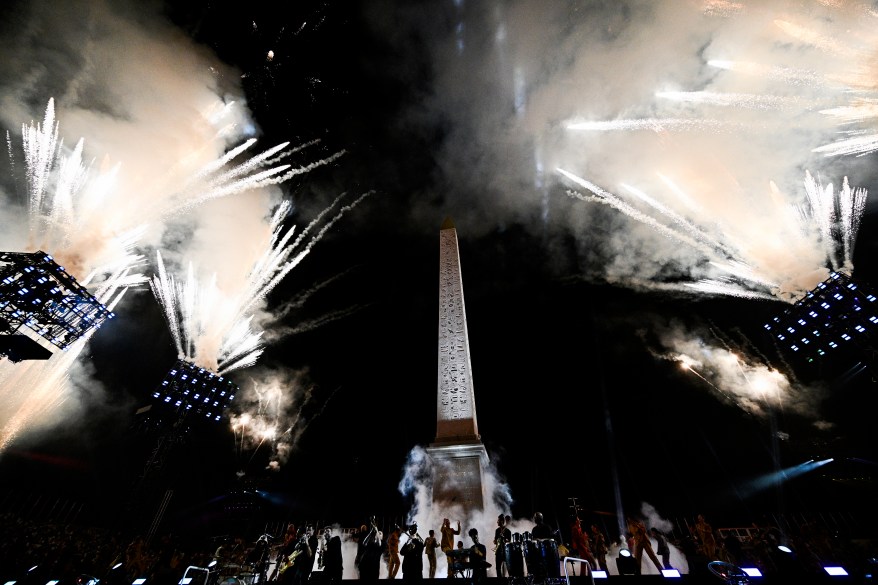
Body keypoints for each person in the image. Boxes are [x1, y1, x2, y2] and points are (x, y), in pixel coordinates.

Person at [492, 513, 511, 578]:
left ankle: (509, 580)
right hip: (498, 551)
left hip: (506, 552)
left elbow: (509, 542)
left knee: (508, 567)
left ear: (502, 521)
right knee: (498, 568)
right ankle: (499, 580)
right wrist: (495, 541)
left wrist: (504, 539)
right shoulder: (497, 530)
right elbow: (495, 540)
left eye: (498, 520)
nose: (497, 522)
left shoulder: (508, 531)